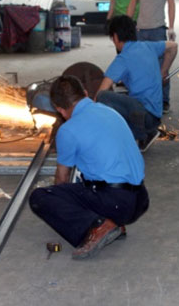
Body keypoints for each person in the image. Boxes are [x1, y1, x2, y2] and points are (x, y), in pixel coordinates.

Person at [29, 75, 149, 260]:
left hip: (116, 203)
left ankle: (99, 226)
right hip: (140, 198)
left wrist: (61, 205)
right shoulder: (111, 112)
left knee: (40, 197)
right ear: (85, 94)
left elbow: (62, 178)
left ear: (60, 109)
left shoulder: (68, 130)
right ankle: (113, 223)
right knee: (89, 184)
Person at [95, 15, 178, 152]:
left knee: (103, 98)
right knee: (122, 97)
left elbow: (100, 93)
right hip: (155, 116)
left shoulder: (122, 59)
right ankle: (145, 133)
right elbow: (173, 46)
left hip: (144, 116)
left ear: (115, 37)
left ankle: (142, 134)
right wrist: (163, 71)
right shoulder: (148, 46)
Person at [127, 0, 176, 113]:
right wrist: (126, 23)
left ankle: (164, 100)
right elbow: (133, 2)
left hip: (158, 29)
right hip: (141, 30)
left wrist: (171, 27)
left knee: (162, 67)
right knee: (143, 67)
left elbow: (171, 3)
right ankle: (145, 100)